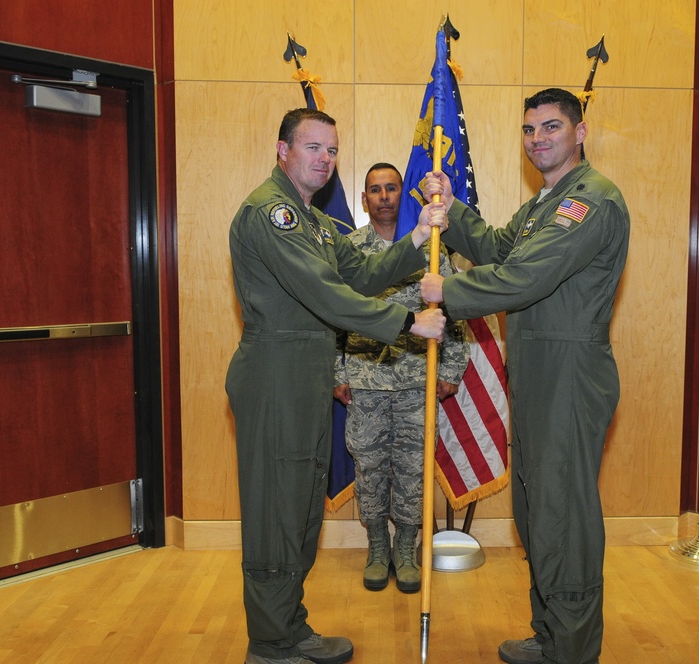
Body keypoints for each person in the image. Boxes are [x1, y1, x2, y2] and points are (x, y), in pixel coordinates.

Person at [226, 108, 447, 664]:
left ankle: (288, 627)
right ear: (282, 152)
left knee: (301, 509)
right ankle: (270, 644)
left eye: (332, 150)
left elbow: (360, 271)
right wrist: (405, 324)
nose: (324, 160)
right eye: (312, 148)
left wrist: (417, 236)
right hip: (275, 377)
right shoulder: (269, 213)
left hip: (307, 376)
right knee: (277, 511)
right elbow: (323, 289)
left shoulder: (318, 223)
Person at [420, 87, 630, 664]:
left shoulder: (590, 201)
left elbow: (527, 277)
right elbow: (496, 248)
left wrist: (449, 291)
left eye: (552, 127)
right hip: (537, 368)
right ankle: (551, 632)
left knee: (563, 513)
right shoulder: (545, 202)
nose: (538, 139)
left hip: (570, 369)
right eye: (530, 129)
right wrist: (452, 207)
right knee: (537, 509)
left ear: (580, 132)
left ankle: (574, 647)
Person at [333, 163, 469, 594]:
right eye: (375, 189)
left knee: (412, 468)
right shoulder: (350, 250)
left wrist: (451, 369)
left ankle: (407, 549)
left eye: (392, 188)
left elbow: (455, 311)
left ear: (403, 195)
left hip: (416, 383)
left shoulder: (431, 248)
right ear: (364, 199)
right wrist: (336, 372)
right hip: (365, 382)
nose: (385, 196)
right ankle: (377, 547)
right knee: (370, 468)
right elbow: (333, 316)